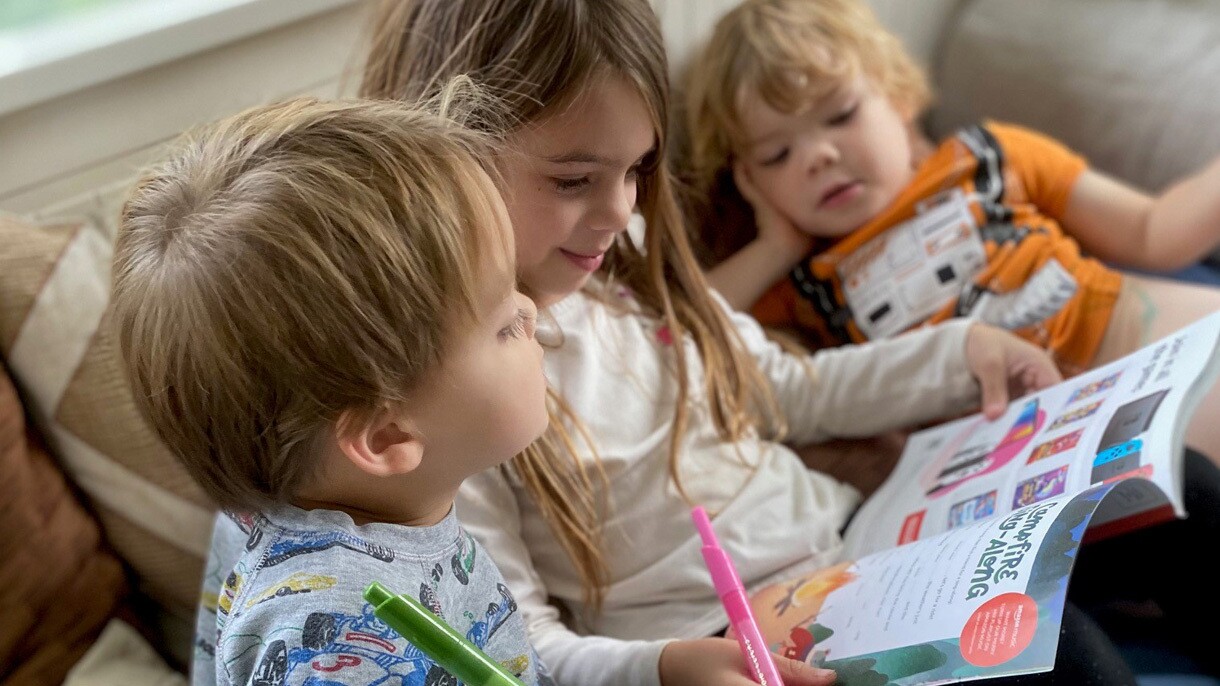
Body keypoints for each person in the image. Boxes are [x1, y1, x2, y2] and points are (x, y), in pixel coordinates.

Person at [355, 2, 1106, 685]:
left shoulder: (625, 262)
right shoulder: (457, 387)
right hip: (723, 636)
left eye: (638, 170)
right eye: (575, 177)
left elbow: (786, 392)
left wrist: (960, 353)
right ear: (442, 159)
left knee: (1108, 563)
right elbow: (520, 648)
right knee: (1055, 652)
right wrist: (666, 669)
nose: (619, 210)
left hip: (856, 544)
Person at [111, 97, 557, 686]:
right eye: (503, 325)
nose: (530, 310)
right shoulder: (329, 635)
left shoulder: (322, 510)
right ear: (388, 434)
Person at [682, 0, 1220, 463]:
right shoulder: (800, 286)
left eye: (841, 115)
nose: (818, 156)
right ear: (748, 181)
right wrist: (775, 247)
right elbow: (677, 337)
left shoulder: (987, 158)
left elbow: (1155, 232)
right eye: (777, 155)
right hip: (1022, 447)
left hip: (1128, 342)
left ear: (898, 97)